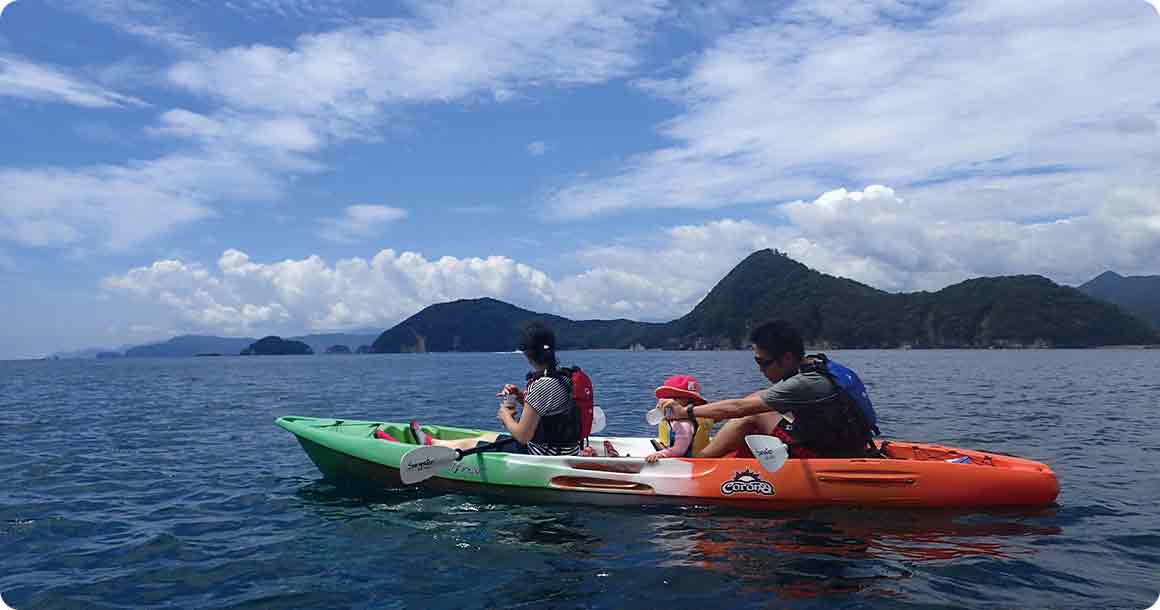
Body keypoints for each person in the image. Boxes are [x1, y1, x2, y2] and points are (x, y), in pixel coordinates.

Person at [661, 320, 878, 459]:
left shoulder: (806, 383)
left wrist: (685, 412)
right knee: (758, 401)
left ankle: (698, 462)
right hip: (843, 444)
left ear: (786, 358)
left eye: (763, 363)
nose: (760, 370)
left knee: (751, 413)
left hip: (824, 456)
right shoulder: (816, 367)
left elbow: (739, 407)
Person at [411, 322, 584, 456]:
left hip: (542, 455)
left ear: (527, 353)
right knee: (488, 438)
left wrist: (506, 418)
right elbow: (551, 413)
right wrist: (520, 397)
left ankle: (431, 445)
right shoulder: (564, 378)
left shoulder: (541, 385)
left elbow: (523, 436)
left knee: (472, 444)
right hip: (566, 450)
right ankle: (433, 442)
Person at [645, 374, 711, 463]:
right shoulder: (676, 419)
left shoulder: (684, 424)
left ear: (690, 401)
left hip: (688, 463)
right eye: (666, 397)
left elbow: (679, 450)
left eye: (675, 398)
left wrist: (661, 454)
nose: (666, 401)